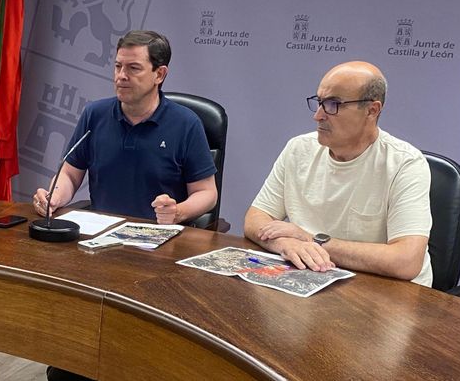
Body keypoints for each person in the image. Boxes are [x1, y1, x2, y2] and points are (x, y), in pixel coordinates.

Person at [244, 61, 432, 286]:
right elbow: (255, 219)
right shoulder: (299, 149)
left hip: (387, 294)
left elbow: (406, 261)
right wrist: (286, 244)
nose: (319, 116)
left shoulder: (405, 163)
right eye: (319, 102)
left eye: (333, 104)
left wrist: (310, 240)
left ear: (372, 110)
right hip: (317, 281)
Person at [32, 30, 217, 224]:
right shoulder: (94, 115)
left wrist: (178, 211)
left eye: (133, 68)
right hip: (100, 235)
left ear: (159, 74)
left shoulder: (186, 124)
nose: (121, 76)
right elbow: (70, 174)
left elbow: (206, 192)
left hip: (160, 238)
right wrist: (54, 197)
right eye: (118, 66)